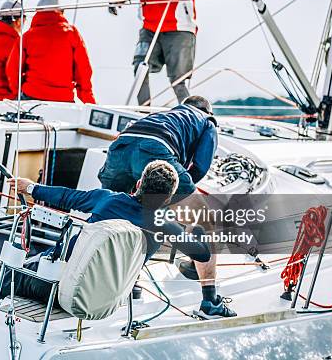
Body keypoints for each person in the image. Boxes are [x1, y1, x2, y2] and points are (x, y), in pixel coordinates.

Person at [0, 160, 210, 360]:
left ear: (137, 184)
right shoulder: (165, 224)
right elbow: (202, 254)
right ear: (169, 198)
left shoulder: (107, 199)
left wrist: (30, 187)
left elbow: (68, 197)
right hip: (105, 303)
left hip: (54, 290)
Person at [98, 95, 236, 318]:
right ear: (207, 110)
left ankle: (127, 283)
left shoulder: (164, 115)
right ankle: (210, 301)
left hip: (120, 149)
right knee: (203, 221)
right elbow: (200, 166)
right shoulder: (206, 121)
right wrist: (175, 194)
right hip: (155, 149)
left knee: (117, 215)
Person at [109, 0, 197, 106]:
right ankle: (143, 111)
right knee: (140, 68)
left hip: (180, 28)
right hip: (149, 28)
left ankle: (190, 113)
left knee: (178, 80)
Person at [6, 0, 96, 104]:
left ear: (37, 13)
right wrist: (89, 101)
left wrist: (18, 92)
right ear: (61, 12)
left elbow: (12, 69)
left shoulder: (27, 37)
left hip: (31, 96)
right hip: (63, 99)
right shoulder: (71, 33)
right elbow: (83, 70)